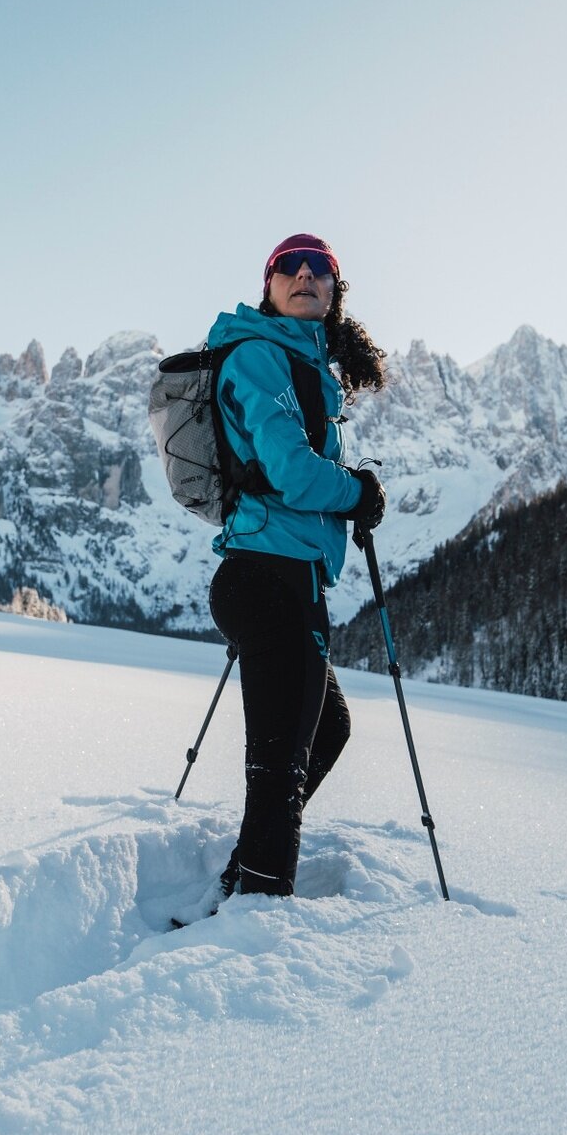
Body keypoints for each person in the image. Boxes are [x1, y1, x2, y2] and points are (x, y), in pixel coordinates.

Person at [205, 233, 389, 901]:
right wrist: (358, 493)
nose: (304, 274)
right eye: (290, 265)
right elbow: (292, 472)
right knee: (279, 764)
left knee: (325, 730)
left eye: (321, 268)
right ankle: (256, 907)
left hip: (286, 576)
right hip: (268, 575)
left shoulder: (303, 362)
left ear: (336, 292)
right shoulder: (260, 355)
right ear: (270, 286)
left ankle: (247, 868)